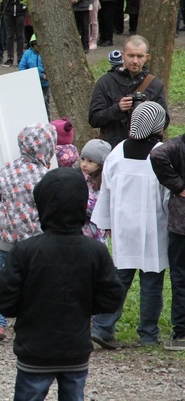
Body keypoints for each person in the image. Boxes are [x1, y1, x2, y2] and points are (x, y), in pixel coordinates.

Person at [0, 168, 125, 401]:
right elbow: (112, 296)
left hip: (34, 349)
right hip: (76, 347)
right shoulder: (95, 251)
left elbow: (3, 297)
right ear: (82, 204)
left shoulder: (26, 251)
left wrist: (24, 308)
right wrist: (86, 305)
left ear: (42, 204)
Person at [91, 101, 169, 349]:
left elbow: (106, 189)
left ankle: (103, 327)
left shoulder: (117, 152)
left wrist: (106, 222)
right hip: (153, 228)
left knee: (119, 280)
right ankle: (148, 334)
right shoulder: (161, 153)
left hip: (124, 227)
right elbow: (167, 195)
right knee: (152, 283)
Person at [0, 123, 57, 341]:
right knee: (34, 283)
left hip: (6, 238)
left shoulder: (6, 170)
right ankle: (30, 325)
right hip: (35, 243)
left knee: (4, 280)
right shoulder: (46, 176)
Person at [89, 35, 168, 149]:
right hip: (112, 149)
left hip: (144, 149)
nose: (135, 61)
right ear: (123, 55)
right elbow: (94, 119)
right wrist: (118, 108)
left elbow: (164, 121)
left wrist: (146, 112)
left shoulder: (155, 85)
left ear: (147, 57)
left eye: (140, 56)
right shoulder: (106, 82)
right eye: (131, 55)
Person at [150, 128, 185, 351]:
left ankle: (182, 332)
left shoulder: (178, 145)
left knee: (181, 276)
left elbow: (157, 155)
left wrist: (177, 185)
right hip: (181, 223)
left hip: (181, 223)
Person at [79, 139, 112, 244]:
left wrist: (77, 201)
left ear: (100, 164)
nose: (84, 164)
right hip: (81, 233)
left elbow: (98, 208)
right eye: (83, 159)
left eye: (90, 161)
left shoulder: (103, 184)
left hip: (96, 236)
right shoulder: (81, 178)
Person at [18, 34, 50, 117]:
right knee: (32, 103)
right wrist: (28, 76)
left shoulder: (47, 54)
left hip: (44, 84)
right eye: (36, 44)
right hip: (31, 83)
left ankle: (47, 121)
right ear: (32, 44)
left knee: (45, 104)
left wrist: (47, 75)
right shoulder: (27, 54)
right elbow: (22, 67)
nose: (38, 46)